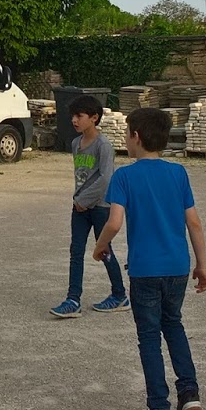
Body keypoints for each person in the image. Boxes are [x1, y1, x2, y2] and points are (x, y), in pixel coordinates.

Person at [91, 107, 206, 410]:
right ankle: (189, 392)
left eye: (127, 133)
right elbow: (194, 223)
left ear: (136, 137)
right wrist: (202, 265)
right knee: (174, 325)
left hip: (145, 270)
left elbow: (114, 222)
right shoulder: (178, 173)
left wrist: (100, 246)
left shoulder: (125, 177)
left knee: (148, 337)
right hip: (177, 267)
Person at [50, 94, 128, 318]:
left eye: (79, 116)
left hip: (100, 207)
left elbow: (105, 179)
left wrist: (84, 201)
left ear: (94, 118)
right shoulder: (76, 144)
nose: (74, 120)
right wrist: (79, 201)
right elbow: (81, 177)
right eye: (73, 116)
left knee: (104, 250)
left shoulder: (104, 146)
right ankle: (73, 299)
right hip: (79, 208)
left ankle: (119, 294)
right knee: (76, 251)